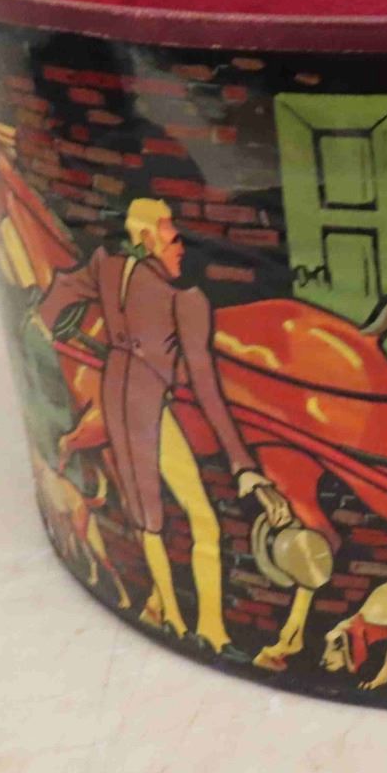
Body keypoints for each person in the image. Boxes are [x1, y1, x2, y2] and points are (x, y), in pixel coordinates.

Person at [32, 196, 287, 658]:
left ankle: (182, 619)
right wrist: (242, 463)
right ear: (147, 236)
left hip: (122, 399)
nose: (180, 244)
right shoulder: (183, 300)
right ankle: (198, 625)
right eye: (170, 234)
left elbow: (60, 294)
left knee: (150, 515)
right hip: (142, 408)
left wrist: (49, 325)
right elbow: (207, 389)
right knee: (184, 517)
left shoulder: (108, 267)